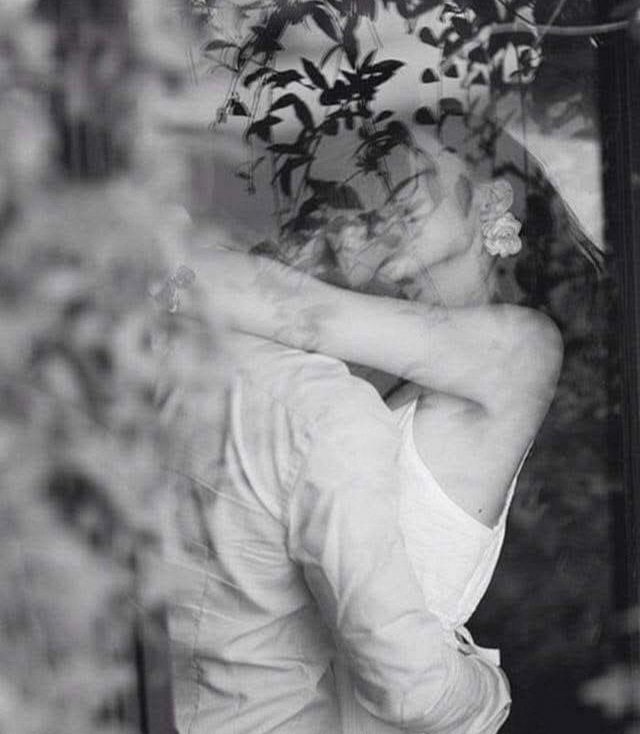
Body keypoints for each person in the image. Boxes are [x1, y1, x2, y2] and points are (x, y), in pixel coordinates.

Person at [163, 153, 563, 734]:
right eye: (387, 174)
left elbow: (300, 313)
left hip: (406, 702)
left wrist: (491, 692)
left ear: (494, 198)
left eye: (420, 161)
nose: (393, 182)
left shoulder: (525, 347)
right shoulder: (375, 362)